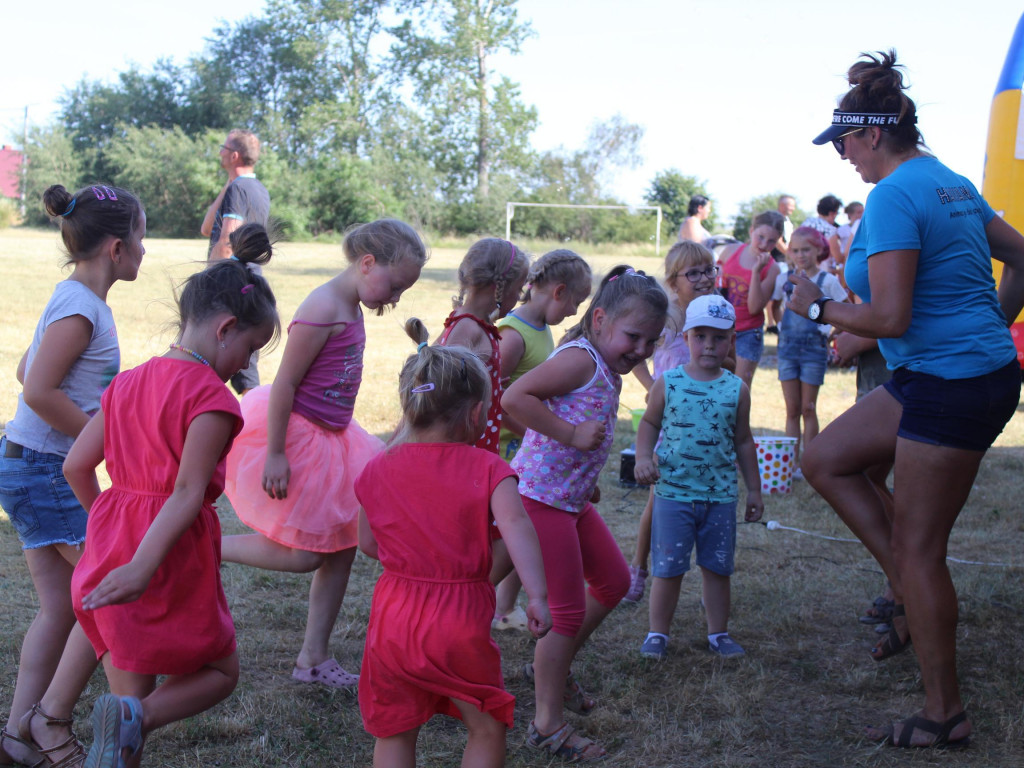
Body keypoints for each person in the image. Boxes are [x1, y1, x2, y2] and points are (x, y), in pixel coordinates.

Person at [789, 49, 1024, 749]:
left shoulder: (893, 193)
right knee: (826, 457)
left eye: (843, 144)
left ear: (869, 134)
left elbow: (887, 316)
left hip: (952, 387)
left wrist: (820, 309)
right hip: (945, 374)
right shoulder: (946, 180)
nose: (842, 159)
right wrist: (994, 326)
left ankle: (943, 712)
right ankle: (902, 593)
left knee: (922, 549)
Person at [18, 224, 279, 768]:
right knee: (219, 672)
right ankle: (140, 719)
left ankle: (123, 721)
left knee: (126, 691)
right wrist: (140, 565)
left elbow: (75, 465)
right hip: (168, 556)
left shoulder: (127, 383)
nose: (246, 367)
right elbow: (186, 494)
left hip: (118, 550)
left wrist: (113, 527)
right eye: (251, 350)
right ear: (227, 328)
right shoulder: (212, 399)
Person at [222, 219, 426, 690]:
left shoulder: (350, 304)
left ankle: (312, 658)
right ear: (367, 263)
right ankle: (209, 546)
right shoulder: (323, 306)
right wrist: (275, 453)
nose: (393, 299)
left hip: (336, 438)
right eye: (394, 287)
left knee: (343, 548)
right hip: (300, 437)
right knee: (305, 556)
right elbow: (285, 384)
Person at [355, 329, 552, 768]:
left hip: (393, 617)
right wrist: (536, 596)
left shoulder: (375, 469)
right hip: (459, 617)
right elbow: (519, 528)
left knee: (394, 730)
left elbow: (367, 542)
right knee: (484, 725)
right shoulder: (489, 468)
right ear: (478, 412)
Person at [0, 184, 144, 768]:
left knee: (62, 609)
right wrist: (100, 437)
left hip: (27, 464)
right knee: (110, 595)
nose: (144, 248)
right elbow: (36, 388)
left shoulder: (73, 298)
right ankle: (55, 724)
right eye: (140, 236)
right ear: (115, 247)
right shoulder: (83, 308)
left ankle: (14, 738)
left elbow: (25, 367)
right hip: (45, 471)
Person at [504, 266, 668, 762]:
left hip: (570, 499)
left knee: (615, 582)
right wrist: (571, 437)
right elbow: (515, 397)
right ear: (599, 320)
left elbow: (578, 420)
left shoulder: (602, 363)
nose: (641, 350)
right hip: (539, 501)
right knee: (566, 614)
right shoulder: (579, 359)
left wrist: (584, 475)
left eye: (651, 342)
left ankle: (551, 665)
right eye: (633, 336)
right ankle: (546, 724)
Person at [633, 294, 762, 660]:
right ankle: (658, 633)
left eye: (719, 337)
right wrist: (644, 456)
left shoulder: (737, 388)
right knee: (668, 568)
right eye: (701, 336)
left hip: (720, 498)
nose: (709, 345)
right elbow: (649, 422)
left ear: (731, 340)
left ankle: (718, 633)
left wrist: (754, 490)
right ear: (686, 338)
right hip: (673, 495)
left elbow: (743, 440)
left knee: (718, 568)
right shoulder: (668, 382)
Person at [491, 250, 592, 633]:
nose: (573, 312)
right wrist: (531, 432)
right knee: (511, 533)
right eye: (575, 303)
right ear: (558, 292)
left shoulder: (542, 328)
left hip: (529, 447)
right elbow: (492, 397)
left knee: (524, 533)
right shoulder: (514, 335)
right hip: (509, 450)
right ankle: (485, 600)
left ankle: (503, 606)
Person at [624, 241, 723, 604]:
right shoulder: (667, 320)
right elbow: (636, 357)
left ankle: (704, 566)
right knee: (659, 496)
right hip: (672, 425)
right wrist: (655, 391)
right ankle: (638, 568)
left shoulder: (713, 314)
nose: (703, 278)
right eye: (692, 273)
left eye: (709, 269)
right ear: (673, 280)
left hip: (708, 425)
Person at [438, 238, 530, 454]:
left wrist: (488, 384)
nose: (519, 297)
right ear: (498, 287)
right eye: (518, 289)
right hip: (463, 445)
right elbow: (443, 389)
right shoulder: (469, 328)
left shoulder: (473, 323)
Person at [200, 129, 271, 394]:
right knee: (243, 369)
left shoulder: (239, 189)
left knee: (222, 362)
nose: (220, 151)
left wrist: (205, 284)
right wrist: (228, 185)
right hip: (250, 284)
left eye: (223, 147)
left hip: (230, 286)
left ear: (235, 155)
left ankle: (255, 429)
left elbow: (227, 242)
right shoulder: (255, 188)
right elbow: (207, 228)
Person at [771, 226, 848, 471]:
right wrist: (781, 326)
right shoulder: (784, 279)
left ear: (819, 250)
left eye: (806, 249)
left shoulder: (828, 281)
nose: (800, 255)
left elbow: (846, 312)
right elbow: (774, 306)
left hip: (814, 350)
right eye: (795, 250)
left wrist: (828, 333)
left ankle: (810, 464)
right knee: (792, 409)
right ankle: (789, 464)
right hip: (787, 350)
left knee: (808, 407)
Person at [717, 212, 783, 388]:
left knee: (738, 389)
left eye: (771, 241)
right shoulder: (730, 251)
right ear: (751, 230)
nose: (763, 244)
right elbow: (715, 288)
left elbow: (754, 307)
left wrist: (755, 272)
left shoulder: (772, 268)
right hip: (720, 329)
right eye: (760, 237)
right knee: (715, 384)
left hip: (748, 333)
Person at [801, 195, 844, 269]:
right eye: (837, 213)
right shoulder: (830, 230)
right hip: (820, 271)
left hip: (801, 267)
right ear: (832, 213)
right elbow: (838, 258)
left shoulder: (806, 223)